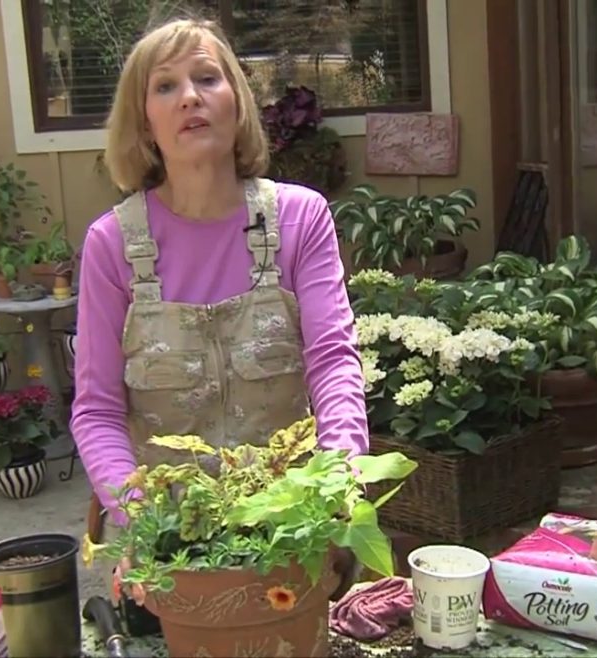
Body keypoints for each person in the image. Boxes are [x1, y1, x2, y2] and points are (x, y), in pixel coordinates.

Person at [70, 16, 369, 599]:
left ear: (236, 102)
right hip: (174, 547)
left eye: (207, 78)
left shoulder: (299, 220)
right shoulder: (112, 246)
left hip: (294, 535)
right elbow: (98, 410)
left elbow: (333, 363)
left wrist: (338, 486)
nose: (189, 97)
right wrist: (140, 521)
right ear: (145, 123)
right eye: (165, 86)